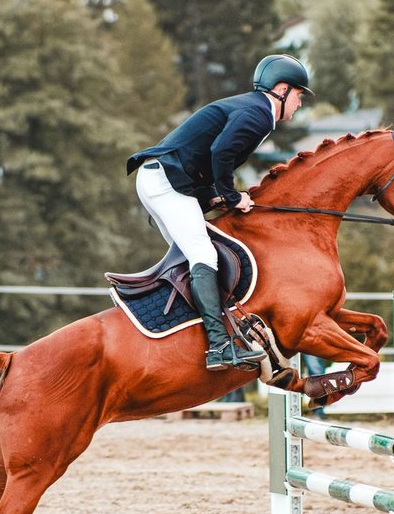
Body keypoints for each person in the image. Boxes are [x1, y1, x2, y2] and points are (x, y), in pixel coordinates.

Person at [126, 54, 312, 371]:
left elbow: (206, 154)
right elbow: (220, 152)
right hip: (166, 181)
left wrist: (212, 196)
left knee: (189, 256)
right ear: (281, 89)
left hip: (165, 179)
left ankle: (186, 333)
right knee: (203, 253)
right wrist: (230, 195)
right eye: (298, 95)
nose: (299, 103)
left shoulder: (252, 108)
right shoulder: (259, 114)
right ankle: (218, 347)